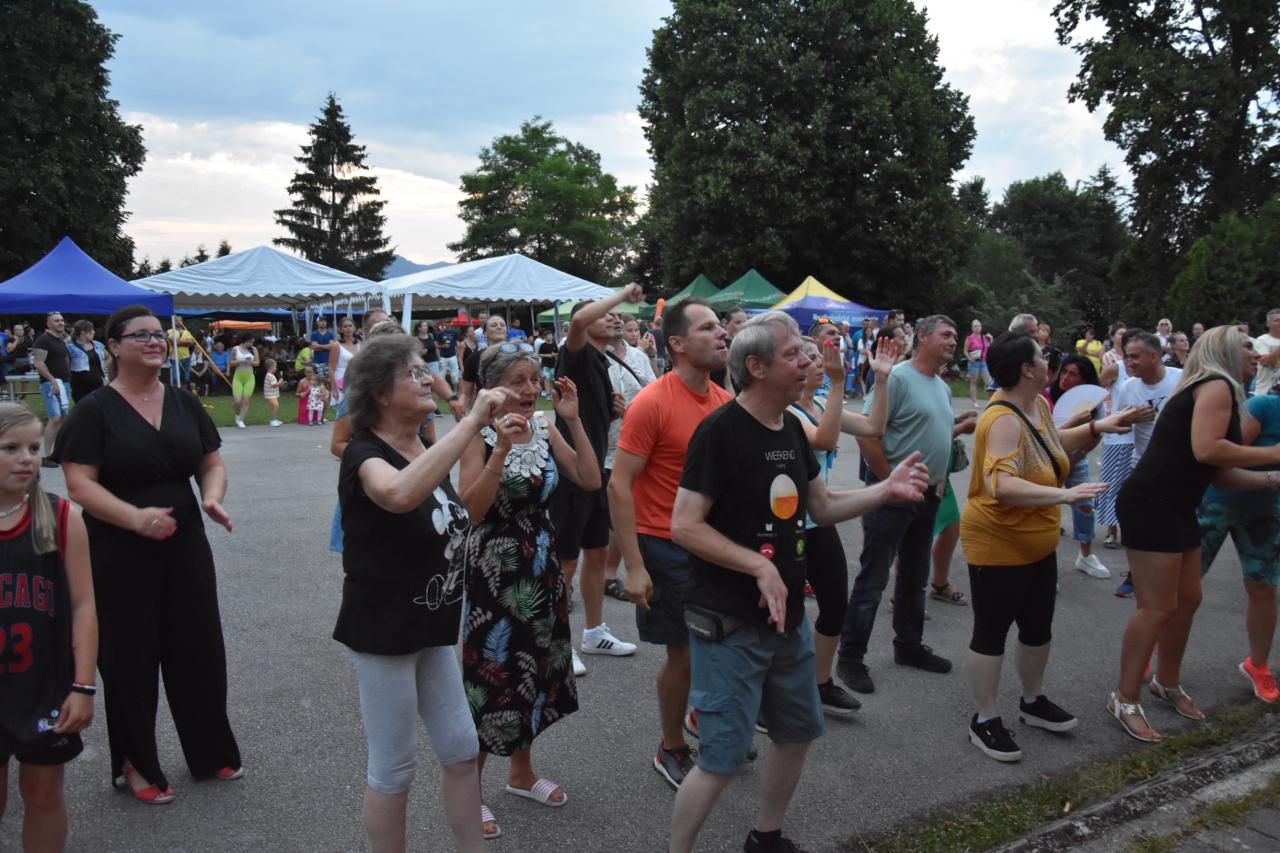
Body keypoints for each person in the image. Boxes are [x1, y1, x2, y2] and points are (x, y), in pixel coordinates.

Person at [667, 311, 929, 853]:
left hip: (786, 624)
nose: (807, 361)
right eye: (793, 354)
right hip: (730, 622)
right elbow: (684, 525)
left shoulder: (789, 426)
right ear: (756, 367)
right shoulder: (719, 432)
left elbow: (822, 505)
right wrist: (759, 566)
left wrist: (886, 491)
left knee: (796, 733)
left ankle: (766, 837)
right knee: (721, 758)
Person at [53, 304, 242, 804]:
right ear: (113, 347)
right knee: (129, 656)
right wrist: (134, 518)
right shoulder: (94, 410)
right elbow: (79, 483)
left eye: (159, 335)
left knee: (198, 647)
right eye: (141, 335)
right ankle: (135, 763)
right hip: (118, 547)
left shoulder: (182, 401)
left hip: (184, 541)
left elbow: (211, 463)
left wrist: (212, 496)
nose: (156, 341)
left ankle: (210, 751)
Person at [335, 335, 505, 853]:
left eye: (425, 368)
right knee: (395, 765)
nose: (428, 378)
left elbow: (462, 515)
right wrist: (470, 422)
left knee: (461, 748)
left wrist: (499, 453)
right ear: (381, 393)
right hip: (383, 629)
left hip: (431, 625)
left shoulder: (425, 447)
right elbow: (398, 493)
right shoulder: (364, 452)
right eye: (413, 372)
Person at [960, 333, 1133, 761]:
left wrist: (1097, 426)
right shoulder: (1002, 419)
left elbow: (1053, 443)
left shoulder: (1036, 404)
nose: (1048, 361)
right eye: (1042, 356)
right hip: (998, 544)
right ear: (1026, 369)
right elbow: (1001, 485)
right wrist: (1064, 495)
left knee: (1038, 627)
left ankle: (1032, 701)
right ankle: (984, 719)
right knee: (992, 632)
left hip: (1036, 543)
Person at [1108, 326, 1280, 743]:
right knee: (1156, 607)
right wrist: (1274, 452)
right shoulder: (1216, 384)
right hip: (1151, 503)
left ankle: (1165, 683)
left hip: (1178, 505)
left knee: (1187, 601)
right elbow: (1208, 448)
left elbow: (1219, 473)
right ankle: (1124, 698)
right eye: (1247, 345)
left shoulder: (1222, 390)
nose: (1255, 352)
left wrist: (1271, 478)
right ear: (1225, 349)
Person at [457, 348, 600, 839]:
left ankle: (521, 773)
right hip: (495, 569)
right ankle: (469, 790)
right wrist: (499, 450)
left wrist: (572, 420)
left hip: (541, 564)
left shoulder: (544, 425)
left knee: (535, 668)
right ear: (491, 387)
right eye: (518, 380)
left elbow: (590, 479)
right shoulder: (474, 433)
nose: (530, 389)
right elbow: (471, 511)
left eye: (535, 379)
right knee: (491, 674)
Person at [609, 299, 732, 789]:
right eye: (708, 328)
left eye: (720, 326)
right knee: (683, 652)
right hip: (663, 545)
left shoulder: (722, 402)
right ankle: (671, 746)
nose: (721, 334)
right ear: (677, 343)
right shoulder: (652, 403)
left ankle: (701, 716)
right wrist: (634, 566)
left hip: (711, 545)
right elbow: (619, 485)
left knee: (719, 645)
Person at [837, 315, 963, 695]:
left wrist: (939, 478)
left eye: (955, 336)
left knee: (914, 574)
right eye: (946, 334)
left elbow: (938, 435)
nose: (953, 341)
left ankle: (908, 645)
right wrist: (888, 481)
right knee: (874, 576)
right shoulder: (899, 378)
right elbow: (867, 434)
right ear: (922, 337)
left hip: (926, 495)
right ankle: (850, 657)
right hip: (891, 494)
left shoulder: (941, 386)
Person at [786, 334, 900, 718]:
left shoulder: (820, 404)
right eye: (812, 357)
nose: (820, 362)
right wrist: (838, 383)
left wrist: (880, 378)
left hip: (819, 519)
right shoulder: (789, 413)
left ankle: (819, 683)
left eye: (821, 357)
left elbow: (874, 426)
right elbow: (824, 439)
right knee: (782, 615)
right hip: (786, 527)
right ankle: (776, 693)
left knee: (835, 604)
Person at [0, 403, 97, 851]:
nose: (26, 458)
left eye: (34, 448)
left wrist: (83, 686)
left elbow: (84, 606)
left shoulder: (61, 518)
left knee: (43, 795)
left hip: (44, 686)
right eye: (10, 448)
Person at [553, 286, 644, 677]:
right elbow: (577, 319)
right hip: (571, 471)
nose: (615, 317)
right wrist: (622, 294)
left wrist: (613, 411)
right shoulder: (573, 353)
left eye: (618, 314)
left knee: (596, 552)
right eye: (606, 313)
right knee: (565, 560)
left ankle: (593, 633)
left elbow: (591, 418)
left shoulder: (603, 361)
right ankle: (558, 644)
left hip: (598, 469)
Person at [1196, 390, 1280, 702]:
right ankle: (1154, 649)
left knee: (1264, 588)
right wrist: (1271, 471)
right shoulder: (1264, 407)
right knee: (1185, 583)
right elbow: (1221, 463)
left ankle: (1257, 665)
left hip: (1266, 512)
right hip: (1216, 505)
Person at [1109, 332, 1179, 597]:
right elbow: (1116, 425)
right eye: (1127, 357)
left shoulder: (1181, 379)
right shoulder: (1129, 387)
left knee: (1174, 525)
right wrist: (1130, 419)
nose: (1129, 362)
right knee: (1138, 523)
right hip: (1143, 465)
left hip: (1179, 467)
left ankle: (1172, 578)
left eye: (1135, 357)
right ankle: (1135, 574)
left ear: (1154, 356)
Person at [1048, 355, 1111, 578]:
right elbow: (1048, 436)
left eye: (1072, 374)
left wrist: (1078, 456)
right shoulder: (1047, 396)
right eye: (1063, 371)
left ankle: (1085, 554)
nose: (1064, 377)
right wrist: (1073, 423)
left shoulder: (1095, 402)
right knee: (1046, 507)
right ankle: (1043, 561)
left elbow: (1097, 432)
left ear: (1084, 380)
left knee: (1085, 505)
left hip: (1077, 458)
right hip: (1047, 459)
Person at [31, 312, 73, 467]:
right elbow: (38, 362)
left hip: (64, 383)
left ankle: (58, 452)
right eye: (56, 321)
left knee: (62, 418)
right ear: (48, 324)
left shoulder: (60, 341)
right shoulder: (43, 340)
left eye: (61, 320)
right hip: (51, 384)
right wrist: (52, 380)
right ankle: (47, 455)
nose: (60, 323)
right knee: (54, 418)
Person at [459, 315, 509, 411]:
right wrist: (461, 409)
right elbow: (465, 393)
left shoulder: (517, 355)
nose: (499, 327)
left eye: (502, 325)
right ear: (485, 333)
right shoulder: (475, 358)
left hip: (513, 411)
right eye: (494, 325)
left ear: (506, 332)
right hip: (486, 412)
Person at [311, 318, 359, 413]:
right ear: (341, 329)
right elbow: (331, 368)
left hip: (357, 379)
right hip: (342, 379)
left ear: (354, 328)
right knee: (343, 411)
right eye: (345, 326)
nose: (348, 328)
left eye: (350, 326)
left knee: (356, 411)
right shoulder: (337, 346)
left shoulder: (359, 344)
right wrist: (334, 389)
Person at [67, 320, 107, 403]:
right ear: (83, 333)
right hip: (79, 384)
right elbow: (66, 364)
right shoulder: (71, 347)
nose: (94, 332)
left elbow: (109, 358)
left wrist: (102, 367)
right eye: (91, 331)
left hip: (97, 382)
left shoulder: (97, 345)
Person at [229, 334, 259, 429]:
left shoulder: (254, 350)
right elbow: (231, 363)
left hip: (249, 377)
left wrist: (250, 362)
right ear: (245, 341)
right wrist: (241, 361)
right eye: (250, 342)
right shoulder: (235, 349)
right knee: (237, 401)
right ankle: (237, 415)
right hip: (238, 377)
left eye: (252, 342)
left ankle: (241, 420)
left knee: (246, 400)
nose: (251, 344)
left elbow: (257, 363)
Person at [965, 320, 993, 407]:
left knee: (989, 382)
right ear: (972, 328)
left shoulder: (984, 338)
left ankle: (991, 401)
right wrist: (970, 359)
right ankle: (975, 402)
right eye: (975, 326)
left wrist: (991, 339)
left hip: (983, 362)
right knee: (974, 382)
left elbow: (990, 348)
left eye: (978, 326)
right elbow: (965, 351)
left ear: (981, 327)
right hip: (974, 363)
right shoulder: (969, 338)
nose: (977, 328)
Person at [1253, 308, 1280, 397]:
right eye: (1277, 320)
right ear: (1268, 324)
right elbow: (1265, 362)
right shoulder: (1262, 340)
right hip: (1266, 392)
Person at [167, 319, 197, 383]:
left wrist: (178, 342)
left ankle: (183, 389)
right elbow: (173, 342)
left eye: (180, 320)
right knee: (175, 378)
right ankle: (176, 389)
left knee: (186, 378)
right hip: (174, 358)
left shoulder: (187, 332)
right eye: (176, 320)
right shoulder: (169, 331)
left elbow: (192, 343)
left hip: (186, 357)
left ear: (182, 322)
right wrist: (186, 342)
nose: (178, 321)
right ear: (173, 321)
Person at [436, 323, 459, 388]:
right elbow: (436, 345)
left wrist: (457, 355)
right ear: (444, 324)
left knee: (455, 375)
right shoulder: (440, 334)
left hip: (453, 356)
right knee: (441, 375)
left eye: (449, 323)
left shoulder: (454, 333)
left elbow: (457, 344)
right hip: (443, 357)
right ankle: (443, 390)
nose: (448, 325)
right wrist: (442, 346)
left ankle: (455, 391)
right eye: (447, 323)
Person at [537, 329, 558, 399]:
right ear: (545, 337)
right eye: (549, 335)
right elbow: (539, 354)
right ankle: (548, 394)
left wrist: (554, 354)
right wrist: (547, 355)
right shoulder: (543, 345)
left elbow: (557, 353)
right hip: (545, 364)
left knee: (553, 379)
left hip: (553, 364)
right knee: (547, 378)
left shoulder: (554, 344)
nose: (551, 337)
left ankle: (553, 393)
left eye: (551, 335)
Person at [262, 358, 282, 427]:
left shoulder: (271, 375)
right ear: (271, 367)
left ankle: (275, 419)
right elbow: (274, 385)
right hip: (270, 395)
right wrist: (280, 382)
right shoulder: (269, 376)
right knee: (275, 406)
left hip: (273, 394)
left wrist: (279, 383)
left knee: (275, 406)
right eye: (275, 367)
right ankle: (273, 421)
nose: (276, 368)